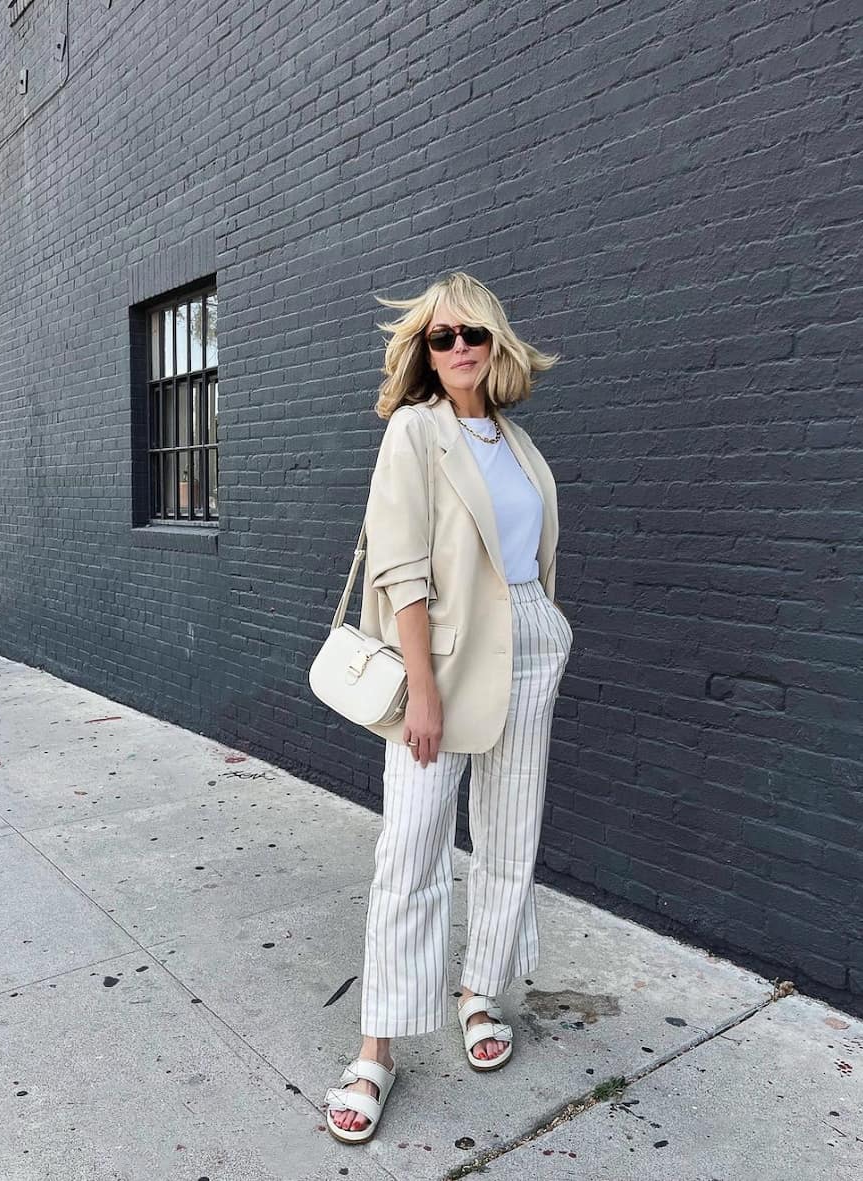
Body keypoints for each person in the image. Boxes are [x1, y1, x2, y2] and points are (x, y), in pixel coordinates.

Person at [323, 271, 573, 1144]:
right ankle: (376, 1047)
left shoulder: (518, 441)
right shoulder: (414, 432)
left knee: (510, 834)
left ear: (496, 341)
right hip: (445, 659)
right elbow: (401, 567)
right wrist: (420, 685)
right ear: (424, 352)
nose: (459, 347)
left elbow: (530, 559)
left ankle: (479, 989)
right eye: (441, 337)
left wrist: (548, 626)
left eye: (472, 333)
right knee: (414, 843)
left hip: (529, 646)